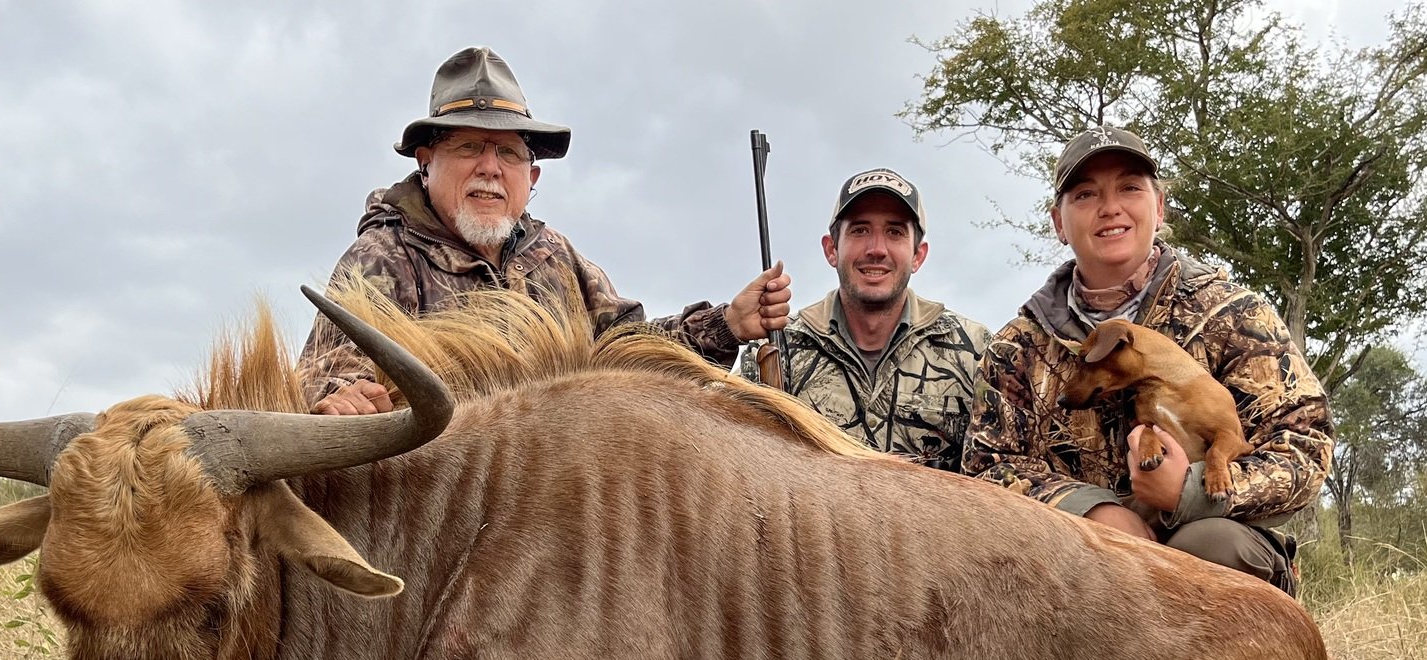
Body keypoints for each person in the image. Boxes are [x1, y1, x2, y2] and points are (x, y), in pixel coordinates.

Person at [300, 46, 792, 414]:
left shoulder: (556, 257)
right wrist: (335, 398)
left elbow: (627, 353)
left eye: (509, 153)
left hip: (558, 507)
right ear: (426, 164)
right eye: (470, 147)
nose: (490, 168)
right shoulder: (382, 257)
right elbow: (327, 372)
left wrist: (727, 324)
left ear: (531, 178)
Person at [961, 127, 1332, 593]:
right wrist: (1095, 512)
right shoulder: (1017, 347)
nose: (1110, 207)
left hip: (1212, 547)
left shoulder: (1235, 314)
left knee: (1210, 544)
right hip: (1078, 558)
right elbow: (988, 469)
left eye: (1129, 188)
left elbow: (1304, 446)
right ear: (1059, 222)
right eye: (1086, 194)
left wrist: (1190, 493)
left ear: (1159, 208)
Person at [736, 169, 989, 471]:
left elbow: (998, 476)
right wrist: (724, 328)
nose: (876, 249)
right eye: (859, 230)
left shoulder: (975, 350)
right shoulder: (776, 351)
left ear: (918, 255)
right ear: (831, 249)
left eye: (895, 232)